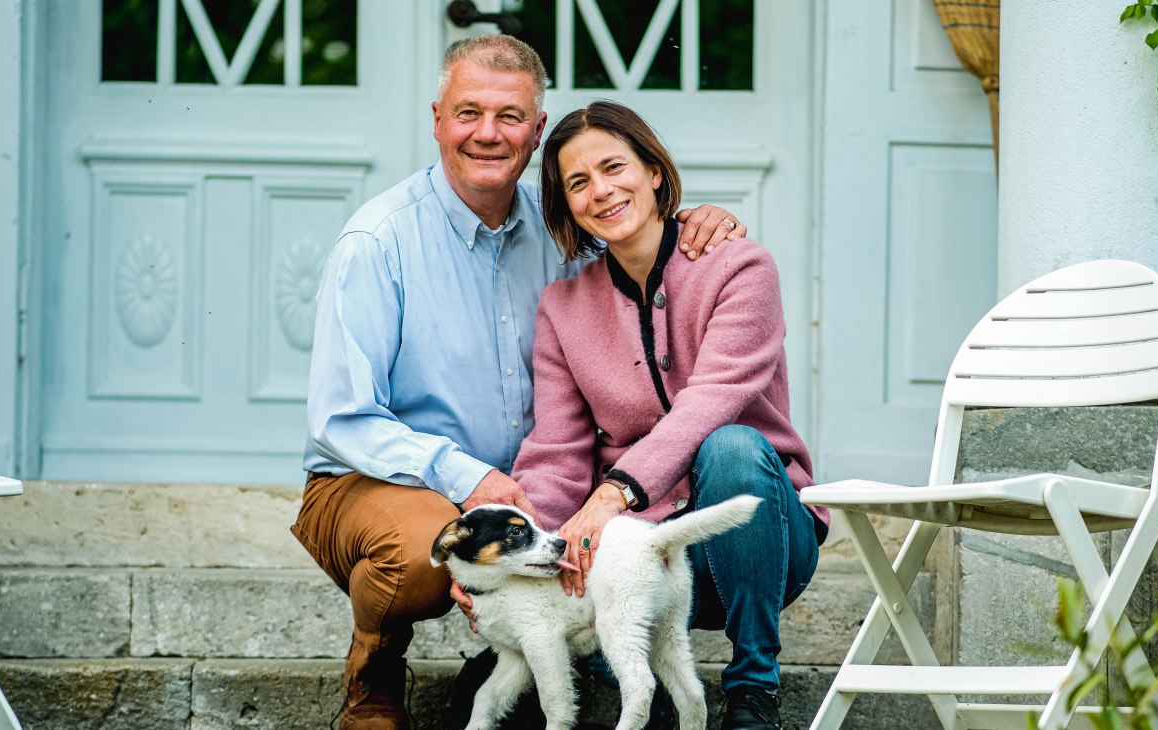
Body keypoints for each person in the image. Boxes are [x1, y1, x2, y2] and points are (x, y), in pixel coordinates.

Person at [291, 35, 744, 730]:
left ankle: (519, 655)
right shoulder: (378, 241)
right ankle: (373, 678)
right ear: (437, 119)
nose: (487, 133)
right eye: (468, 113)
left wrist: (697, 222)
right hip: (381, 480)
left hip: (536, 489)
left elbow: (639, 234)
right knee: (422, 552)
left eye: (509, 116)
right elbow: (341, 419)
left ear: (537, 131)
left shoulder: (569, 233)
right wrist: (466, 476)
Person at [505, 100, 829, 730]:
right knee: (598, 590)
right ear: (566, 205)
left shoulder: (740, 267)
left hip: (760, 539)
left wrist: (614, 494)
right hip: (647, 554)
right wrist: (530, 545)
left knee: (731, 445)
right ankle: (644, 693)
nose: (601, 191)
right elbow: (557, 451)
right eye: (578, 182)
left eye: (614, 167)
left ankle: (754, 690)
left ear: (654, 171)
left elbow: (711, 399)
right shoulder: (562, 309)